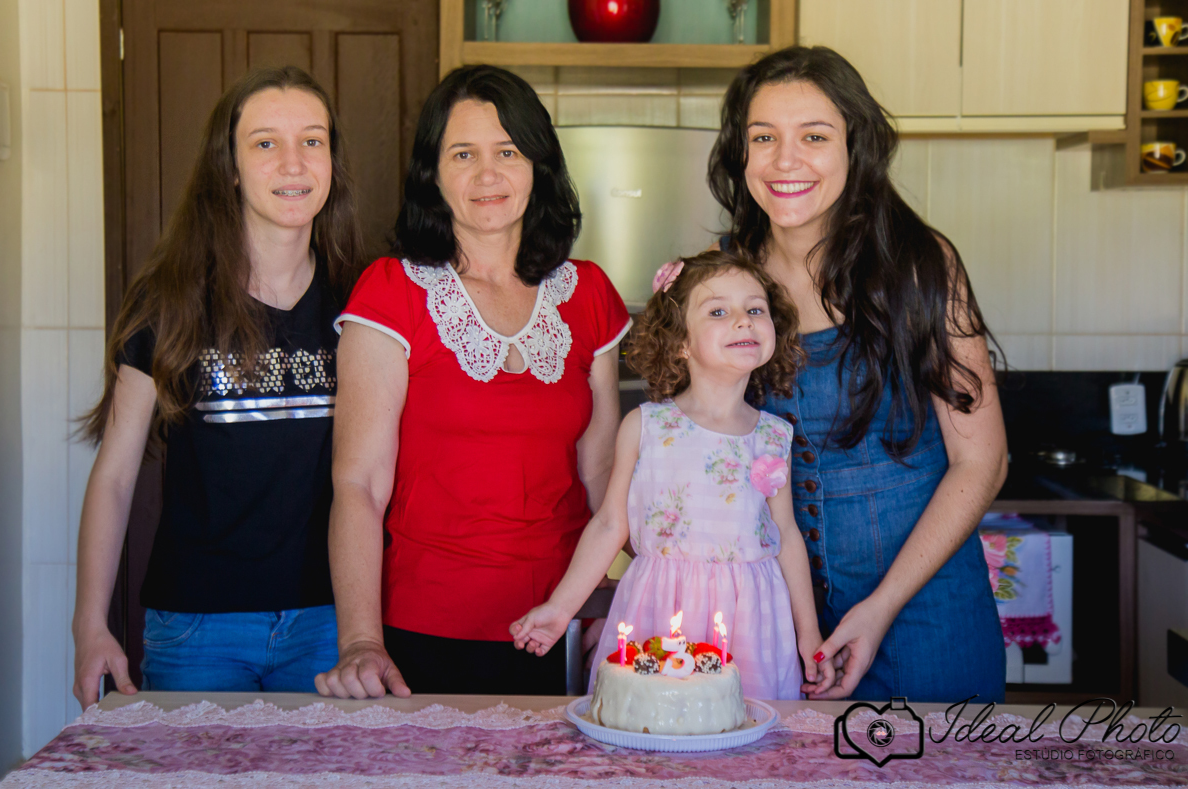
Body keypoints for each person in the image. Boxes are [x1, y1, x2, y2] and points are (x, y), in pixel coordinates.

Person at [315, 65, 631, 698]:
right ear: (434, 172)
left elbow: (603, 477)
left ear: (538, 166)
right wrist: (361, 641)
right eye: (464, 154)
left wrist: (624, 605)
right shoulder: (391, 291)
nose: (488, 175)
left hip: (564, 621)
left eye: (508, 152)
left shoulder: (589, 293)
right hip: (424, 629)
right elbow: (359, 484)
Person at [708, 46, 1008, 702]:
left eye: (814, 136)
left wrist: (878, 609)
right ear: (741, 153)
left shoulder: (921, 266)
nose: (786, 160)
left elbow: (981, 460)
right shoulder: (726, 280)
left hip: (925, 616)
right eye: (764, 138)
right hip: (776, 619)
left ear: (855, 145)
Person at [72, 66, 364, 707]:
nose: (293, 162)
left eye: (312, 141)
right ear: (229, 167)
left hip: (328, 625)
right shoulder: (171, 298)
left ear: (332, 163)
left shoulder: (362, 300)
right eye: (265, 143)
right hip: (196, 628)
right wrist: (89, 624)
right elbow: (115, 474)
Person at [511, 252, 836, 700]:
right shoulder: (647, 426)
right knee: (654, 738)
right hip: (660, 611)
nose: (743, 321)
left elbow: (787, 536)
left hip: (752, 622)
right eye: (719, 311)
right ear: (680, 342)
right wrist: (560, 608)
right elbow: (609, 524)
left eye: (755, 309)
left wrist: (809, 637)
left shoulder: (774, 436)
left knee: (744, 743)